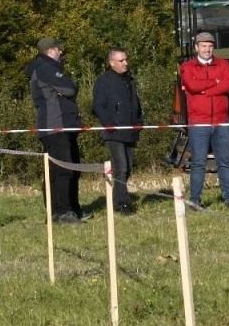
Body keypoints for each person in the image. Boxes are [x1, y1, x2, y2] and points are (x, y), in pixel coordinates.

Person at [26, 37, 85, 222]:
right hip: (55, 127)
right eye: (58, 50)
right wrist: (67, 87)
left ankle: (73, 209)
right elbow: (70, 89)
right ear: (50, 51)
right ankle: (61, 212)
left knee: (73, 169)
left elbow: (65, 90)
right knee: (61, 171)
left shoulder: (49, 69)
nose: (61, 52)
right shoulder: (46, 68)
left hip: (64, 126)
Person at [179, 30, 229, 207]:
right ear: (196, 48)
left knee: (225, 162)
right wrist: (216, 82)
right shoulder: (188, 66)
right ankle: (195, 200)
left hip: (222, 121)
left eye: (210, 46)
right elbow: (192, 85)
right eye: (203, 46)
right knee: (198, 163)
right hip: (199, 122)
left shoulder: (224, 64)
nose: (207, 49)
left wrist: (204, 90)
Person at [91, 47, 142, 213]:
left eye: (126, 59)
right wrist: (109, 124)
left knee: (129, 168)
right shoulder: (103, 81)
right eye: (121, 60)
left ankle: (118, 197)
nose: (125, 63)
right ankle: (122, 204)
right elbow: (97, 106)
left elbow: (136, 104)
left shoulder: (130, 80)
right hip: (113, 133)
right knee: (121, 167)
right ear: (111, 62)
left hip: (131, 131)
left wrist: (139, 122)